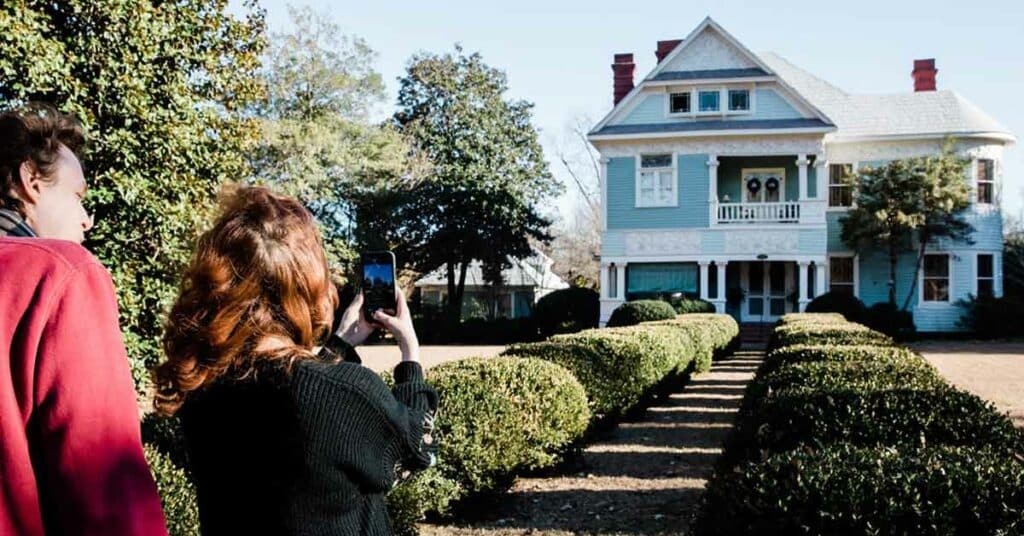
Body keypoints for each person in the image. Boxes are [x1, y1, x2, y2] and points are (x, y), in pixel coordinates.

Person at [155, 185, 438, 535]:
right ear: (309, 282)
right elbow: (416, 450)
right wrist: (410, 355)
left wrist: (341, 344)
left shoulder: (200, 385)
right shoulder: (348, 393)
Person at [0, 103, 169, 535]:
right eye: (77, 196)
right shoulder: (59, 273)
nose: (87, 219)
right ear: (30, 182)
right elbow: (106, 489)